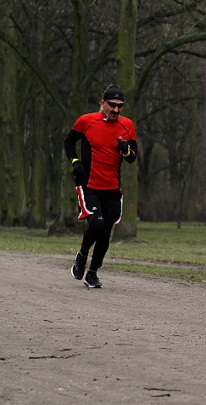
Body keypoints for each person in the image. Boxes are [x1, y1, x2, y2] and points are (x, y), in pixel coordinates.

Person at [65, 84, 138, 288]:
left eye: (120, 106)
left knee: (105, 232)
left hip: (112, 188)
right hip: (89, 185)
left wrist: (125, 151)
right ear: (102, 103)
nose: (116, 110)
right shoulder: (86, 121)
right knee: (96, 225)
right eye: (112, 105)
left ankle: (93, 273)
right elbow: (69, 142)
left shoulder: (127, 125)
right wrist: (75, 161)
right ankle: (81, 255)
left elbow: (133, 157)